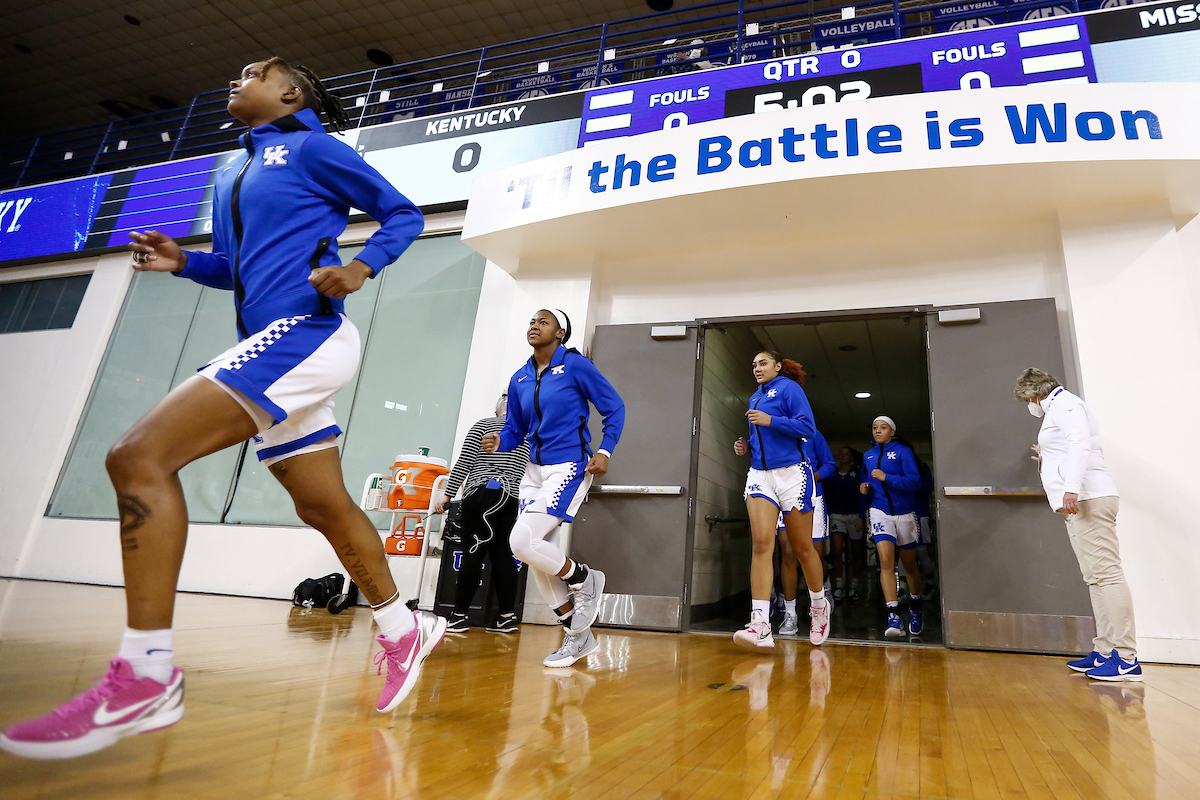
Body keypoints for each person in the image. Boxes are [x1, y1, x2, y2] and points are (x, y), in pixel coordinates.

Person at [0, 59, 437, 760]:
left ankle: (144, 675)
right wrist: (183, 263)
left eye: (255, 72)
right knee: (321, 504)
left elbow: (404, 212)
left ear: (290, 94)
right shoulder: (235, 170)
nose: (238, 77)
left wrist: (361, 267)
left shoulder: (314, 144)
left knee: (137, 456)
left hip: (307, 333)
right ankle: (400, 627)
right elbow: (236, 267)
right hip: (274, 343)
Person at [481, 309, 625, 668]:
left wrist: (605, 450)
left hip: (571, 465)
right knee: (536, 555)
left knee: (519, 543)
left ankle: (587, 579)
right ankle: (578, 639)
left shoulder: (576, 367)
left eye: (543, 322)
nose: (533, 325)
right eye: (531, 321)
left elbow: (614, 408)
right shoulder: (519, 378)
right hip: (533, 470)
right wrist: (501, 438)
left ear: (560, 333)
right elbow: (516, 428)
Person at [1015, 368, 1140, 681]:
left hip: (1087, 498)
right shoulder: (1060, 408)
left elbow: (1081, 444)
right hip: (1081, 500)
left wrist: (1071, 488)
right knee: (1095, 577)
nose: (1027, 406)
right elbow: (1069, 447)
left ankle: (1126, 658)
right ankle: (1105, 650)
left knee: (1107, 575)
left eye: (1026, 400)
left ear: (1034, 394)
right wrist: (1047, 455)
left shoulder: (1066, 405)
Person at [733, 351, 830, 649]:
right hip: (761, 474)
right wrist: (747, 445)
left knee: (802, 549)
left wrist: (770, 420)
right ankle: (760, 622)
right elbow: (767, 438)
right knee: (762, 544)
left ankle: (818, 607)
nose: (757, 368)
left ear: (777, 366)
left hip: (793, 474)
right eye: (753, 364)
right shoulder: (754, 398)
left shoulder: (790, 388)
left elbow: (806, 428)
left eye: (762, 363)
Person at [435, 392, 530, 633]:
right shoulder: (527, 433)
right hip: (511, 498)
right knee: (502, 554)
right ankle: (507, 616)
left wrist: (447, 494)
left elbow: (465, 462)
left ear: (497, 409)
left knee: (473, 552)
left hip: (482, 494)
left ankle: (459, 615)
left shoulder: (484, 425)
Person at [860, 416, 925, 638]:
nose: (878, 431)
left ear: (892, 431)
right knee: (886, 562)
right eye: (875, 427)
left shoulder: (903, 452)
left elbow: (915, 482)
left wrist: (887, 477)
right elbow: (865, 478)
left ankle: (916, 605)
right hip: (879, 511)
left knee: (909, 564)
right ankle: (893, 615)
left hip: (905, 512)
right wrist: (865, 487)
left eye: (883, 428)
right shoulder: (868, 456)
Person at [777, 431, 836, 636]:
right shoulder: (775, 431)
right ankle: (790, 613)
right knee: (788, 554)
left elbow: (829, 463)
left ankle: (823, 592)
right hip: (784, 497)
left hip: (812, 497)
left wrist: (814, 476)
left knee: (814, 555)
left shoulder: (813, 434)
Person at [824, 446, 866, 603]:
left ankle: (854, 586)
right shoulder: (832, 474)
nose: (842, 456)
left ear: (852, 458)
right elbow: (827, 495)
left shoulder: (858, 475)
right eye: (840, 453)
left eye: (846, 454)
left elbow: (864, 496)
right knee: (836, 550)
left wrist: (862, 516)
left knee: (856, 553)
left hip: (854, 515)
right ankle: (839, 586)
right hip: (836, 515)